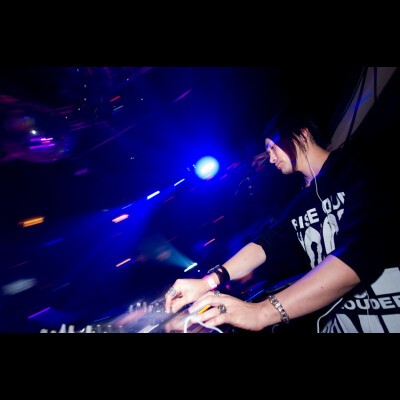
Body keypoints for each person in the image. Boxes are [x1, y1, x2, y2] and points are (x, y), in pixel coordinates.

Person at [164, 108, 400, 333]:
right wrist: (207, 282)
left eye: (272, 147)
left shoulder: (359, 166)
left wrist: (262, 312)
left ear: (302, 134)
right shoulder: (299, 203)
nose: (270, 158)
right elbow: (267, 244)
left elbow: (361, 250)